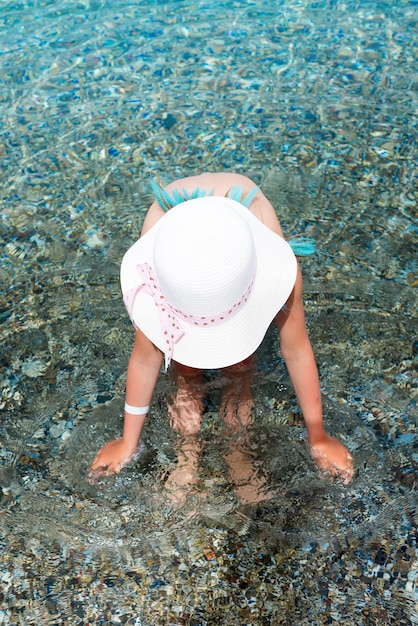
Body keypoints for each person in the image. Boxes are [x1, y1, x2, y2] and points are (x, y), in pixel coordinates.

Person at [90, 172, 354, 501]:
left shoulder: (280, 274)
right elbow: (146, 357)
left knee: (241, 365)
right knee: (183, 369)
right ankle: (187, 452)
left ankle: (238, 453)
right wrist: (127, 441)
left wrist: (318, 435)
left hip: (242, 233)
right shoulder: (162, 273)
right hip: (173, 239)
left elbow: (296, 350)